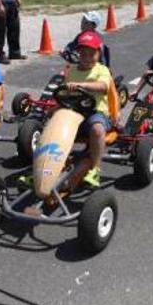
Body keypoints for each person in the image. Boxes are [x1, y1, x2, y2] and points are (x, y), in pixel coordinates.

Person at [62, 31, 113, 188]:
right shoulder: (72, 71)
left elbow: (104, 87)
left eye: (91, 54)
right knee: (52, 126)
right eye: (83, 53)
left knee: (97, 129)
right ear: (78, 54)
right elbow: (64, 93)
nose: (87, 57)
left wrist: (82, 85)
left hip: (96, 113)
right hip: (75, 113)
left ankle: (95, 169)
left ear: (98, 53)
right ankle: (47, 165)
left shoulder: (101, 70)